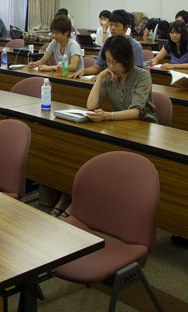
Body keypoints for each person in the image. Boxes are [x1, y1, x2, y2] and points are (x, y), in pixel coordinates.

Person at [50, 35, 157, 218]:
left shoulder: (142, 75)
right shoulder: (108, 75)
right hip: (118, 127)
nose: (112, 66)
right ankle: (68, 197)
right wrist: (100, 76)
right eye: (108, 61)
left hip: (142, 129)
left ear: (126, 59)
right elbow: (91, 105)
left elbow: (136, 111)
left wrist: (108, 116)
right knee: (84, 151)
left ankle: (77, 203)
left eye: (116, 61)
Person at [69, 9, 143, 79]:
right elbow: (96, 68)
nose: (112, 28)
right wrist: (84, 71)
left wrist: (105, 76)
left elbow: (135, 73)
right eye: (111, 25)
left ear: (126, 27)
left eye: (117, 25)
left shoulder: (135, 46)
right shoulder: (107, 44)